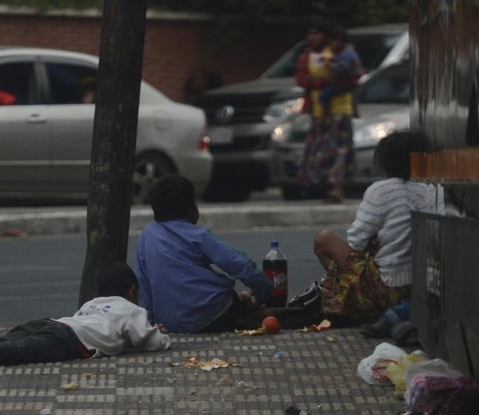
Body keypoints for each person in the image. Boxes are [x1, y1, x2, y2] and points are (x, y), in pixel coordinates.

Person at [0, 263, 171, 370]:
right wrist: (161, 335)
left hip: (54, 322)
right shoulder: (132, 309)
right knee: (18, 350)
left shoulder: (93, 302)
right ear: (131, 291)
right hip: (69, 339)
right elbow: (147, 339)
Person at [290, 130, 445, 326]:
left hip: (387, 287)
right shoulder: (436, 192)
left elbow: (356, 242)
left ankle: (354, 304)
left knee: (324, 239)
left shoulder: (381, 190)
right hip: (426, 289)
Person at [135, 174, 275, 333]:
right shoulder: (197, 235)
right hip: (215, 311)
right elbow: (240, 263)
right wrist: (264, 293)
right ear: (190, 210)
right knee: (232, 303)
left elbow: (143, 286)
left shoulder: (145, 236)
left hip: (173, 323)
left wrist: (150, 324)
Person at [295, 21, 358, 203]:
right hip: (318, 111)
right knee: (319, 151)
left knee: (339, 150)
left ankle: (337, 188)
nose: (312, 38)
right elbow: (301, 79)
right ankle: (323, 188)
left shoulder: (338, 54)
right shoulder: (306, 56)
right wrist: (320, 81)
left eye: (316, 34)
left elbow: (352, 76)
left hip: (340, 109)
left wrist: (323, 80)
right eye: (310, 34)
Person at [319, 25, 363, 116]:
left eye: (331, 42)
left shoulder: (346, 54)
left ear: (339, 40)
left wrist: (330, 65)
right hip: (345, 81)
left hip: (346, 81)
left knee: (324, 95)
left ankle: (326, 114)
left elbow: (343, 69)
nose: (330, 45)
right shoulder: (344, 51)